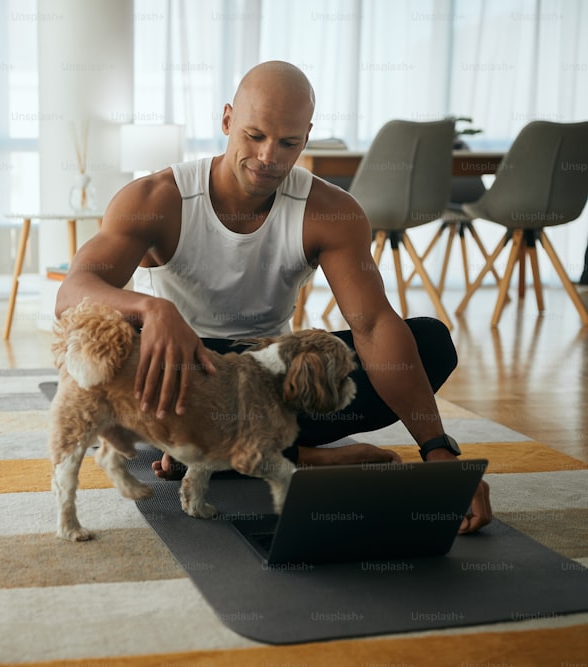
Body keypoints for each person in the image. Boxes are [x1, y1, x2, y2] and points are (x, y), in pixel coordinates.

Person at [54, 60, 492, 534]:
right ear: (226, 121)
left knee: (427, 343)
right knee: (104, 351)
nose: (268, 157)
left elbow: (372, 326)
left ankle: (226, 452)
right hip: (179, 378)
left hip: (267, 386)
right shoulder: (157, 198)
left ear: (307, 135)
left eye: (288, 143)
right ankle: (278, 454)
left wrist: (438, 451)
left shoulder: (331, 212)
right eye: (254, 135)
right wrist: (152, 308)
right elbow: (72, 293)